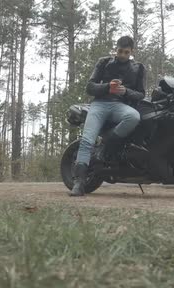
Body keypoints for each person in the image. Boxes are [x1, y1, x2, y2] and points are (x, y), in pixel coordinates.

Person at [70, 36, 146, 197]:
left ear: (132, 52)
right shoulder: (103, 62)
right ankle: (78, 183)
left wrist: (126, 92)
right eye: (120, 51)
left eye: (126, 52)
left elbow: (141, 94)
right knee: (86, 140)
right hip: (99, 104)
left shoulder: (138, 68)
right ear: (115, 49)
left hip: (121, 106)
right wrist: (107, 87)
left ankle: (106, 144)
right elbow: (90, 87)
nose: (122, 55)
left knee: (134, 117)